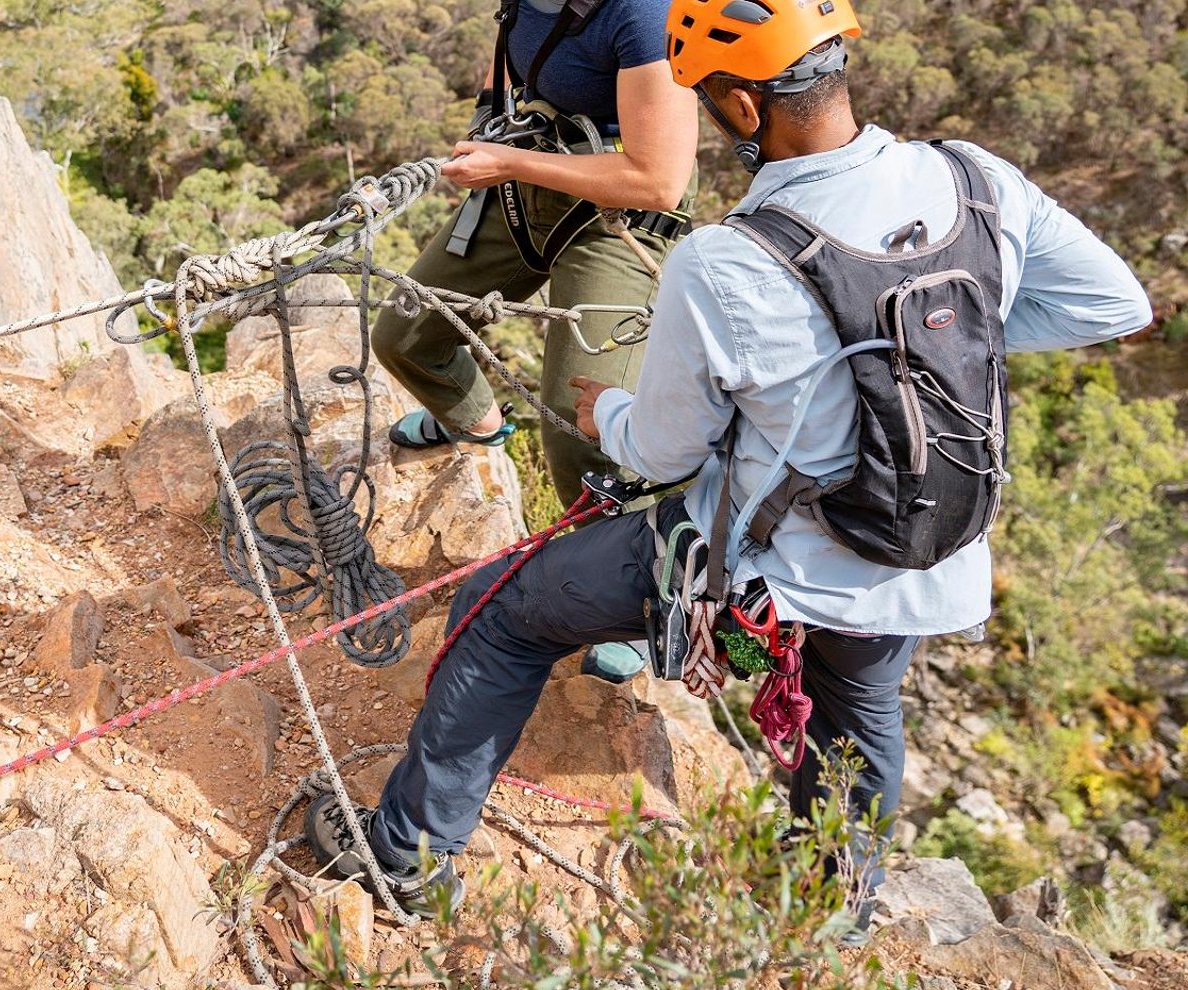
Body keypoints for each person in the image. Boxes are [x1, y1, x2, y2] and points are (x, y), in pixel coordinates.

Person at [307, 0, 1152, 929]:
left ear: (745, 110)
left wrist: (607, 409)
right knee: (859, 717)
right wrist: (929, 335)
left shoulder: (727, 260)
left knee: (503, 612)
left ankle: (403, 860)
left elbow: (658, 452)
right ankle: (831, 917)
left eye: (710, 96)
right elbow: (1113, 304)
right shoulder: (975, 180)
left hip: (759, 593)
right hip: (924, 565)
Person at [375, 0, 699, 684]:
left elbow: (659, 180)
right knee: (406, 331)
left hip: (621, 213)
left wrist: (510, 165)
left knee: (581, 431)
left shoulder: (641, 15)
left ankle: (636, 596)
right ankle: (477, 427)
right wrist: (492, 131)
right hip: (531, 173)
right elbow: (510, 57)